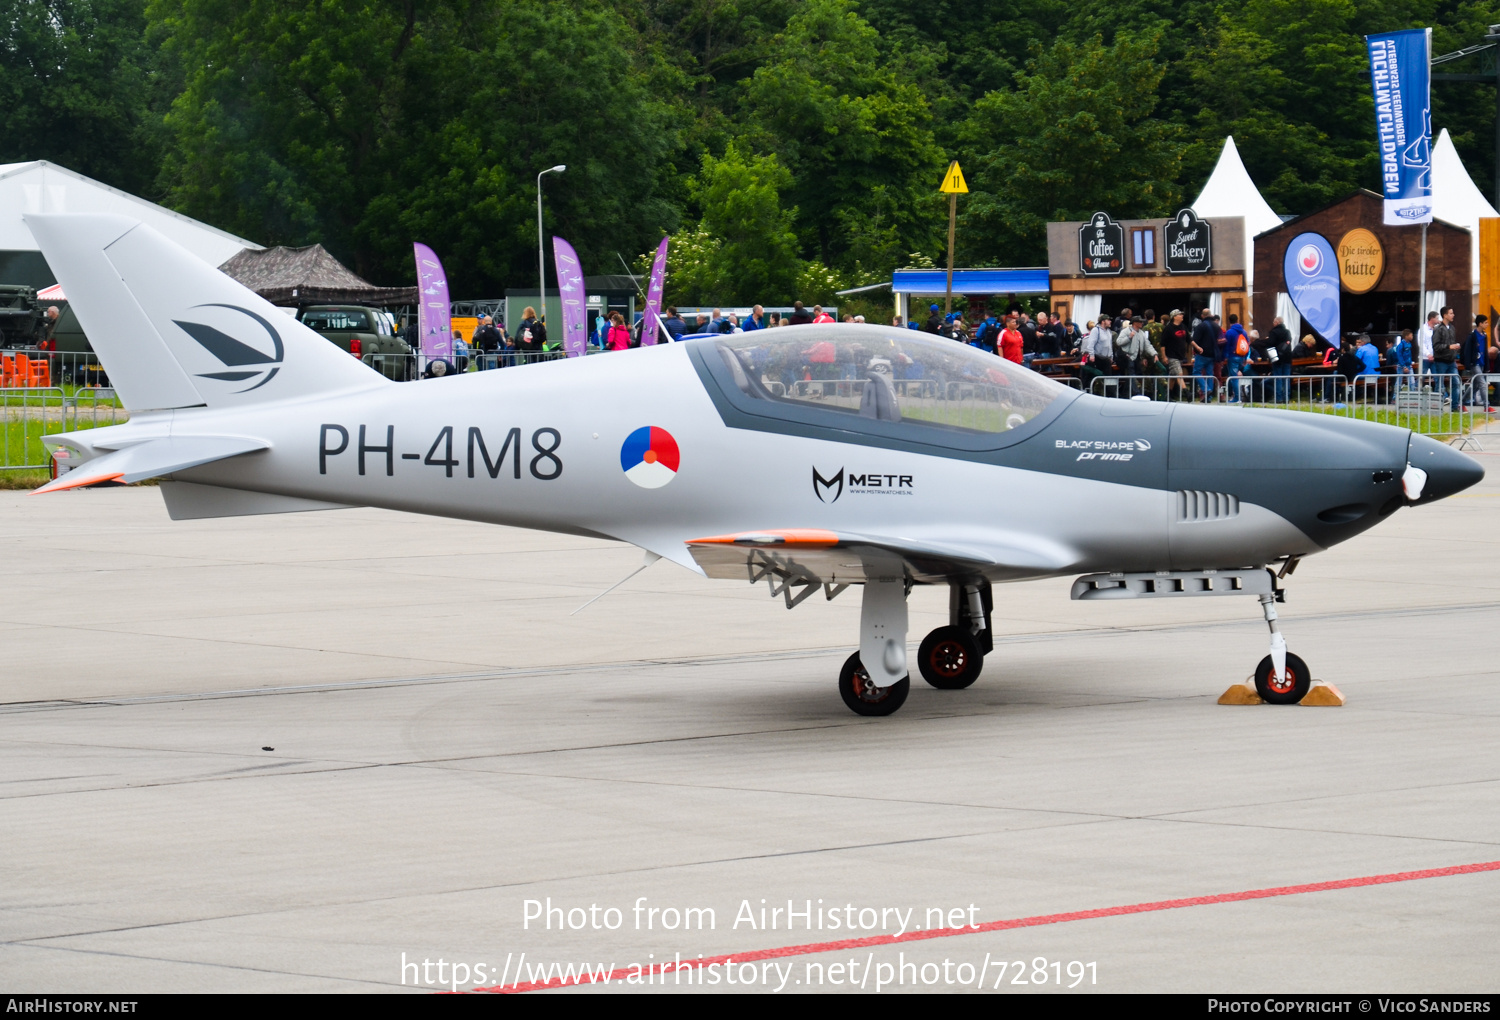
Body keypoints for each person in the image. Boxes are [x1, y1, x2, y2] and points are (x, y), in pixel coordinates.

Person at [1253, 315, 1294, 402]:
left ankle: (1278, 398)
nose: (1273, 324)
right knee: (1286, 377)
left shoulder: (1274, 332)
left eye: (1274, 322)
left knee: (1278, 377)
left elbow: (1270, 343)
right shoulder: (1287, 332)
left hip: (1277, 357)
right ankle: (1286, 397)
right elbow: (1288, 342)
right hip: (1287, 357)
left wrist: (1265, 340)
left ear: (1277, 322)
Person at [1431, 305, 1461, 411]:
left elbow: (1451, 343)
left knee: (1456, 382)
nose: (1453, 315)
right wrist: (1449, 347)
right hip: (1441, 361)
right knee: (1440, 385)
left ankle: (1454, 407)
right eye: (1451, 313)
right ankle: (1436, 407)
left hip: (1451, 360)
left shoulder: (1452, 328)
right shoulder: (1438, 329)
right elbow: (1436, 346)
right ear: (1445, 315)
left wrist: (1455, 348)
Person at [1160, 309, 1190, 400]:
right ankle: (1186, 392)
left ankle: (1168, 395)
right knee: (1179, 373)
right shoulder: (1168, 328)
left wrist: (1197, 347)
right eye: (1180, 314)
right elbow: (1163, 344)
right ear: (1175, 317)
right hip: (1172, 355)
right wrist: (1164, 356)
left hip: (1180, 355)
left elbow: (1189, 339)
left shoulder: (1183, 326)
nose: (1182, 316)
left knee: (1173, 376)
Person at [1190, 308, 1218, 401]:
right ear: (1211, 315)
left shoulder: (1201, 326)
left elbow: (1195, 340)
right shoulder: (1216, 326)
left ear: (1202, 316)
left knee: (1196, 372)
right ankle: (1208, 398)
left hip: (1202, 354)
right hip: (1213, 354)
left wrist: (1196, 350)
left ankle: (1206, 390)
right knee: (1210, 374)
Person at [1222, 314, 1249, 402]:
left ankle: (1237, 397)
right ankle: (1240, 396)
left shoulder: (1229, 332)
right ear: (1237, 320)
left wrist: (1225, 356)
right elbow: (1246, 344)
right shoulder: (1244, 332)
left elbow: (1226, 345)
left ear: (1229, 321)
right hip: (1242, 357)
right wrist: (1245, 357)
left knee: (1234, 378)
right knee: (1237, 377)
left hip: (1233, 357)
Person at [1418, 310, 1438, 375]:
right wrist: (1428, 354)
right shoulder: (1423, 329)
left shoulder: (1436, 329)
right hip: (1425, 358)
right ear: (1432, 319)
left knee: (1437, 377)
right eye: (1437, 318)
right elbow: (1421, 343)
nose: (1438, 320)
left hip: (1434, 357)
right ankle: (1417, 385)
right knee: (1422, 376)